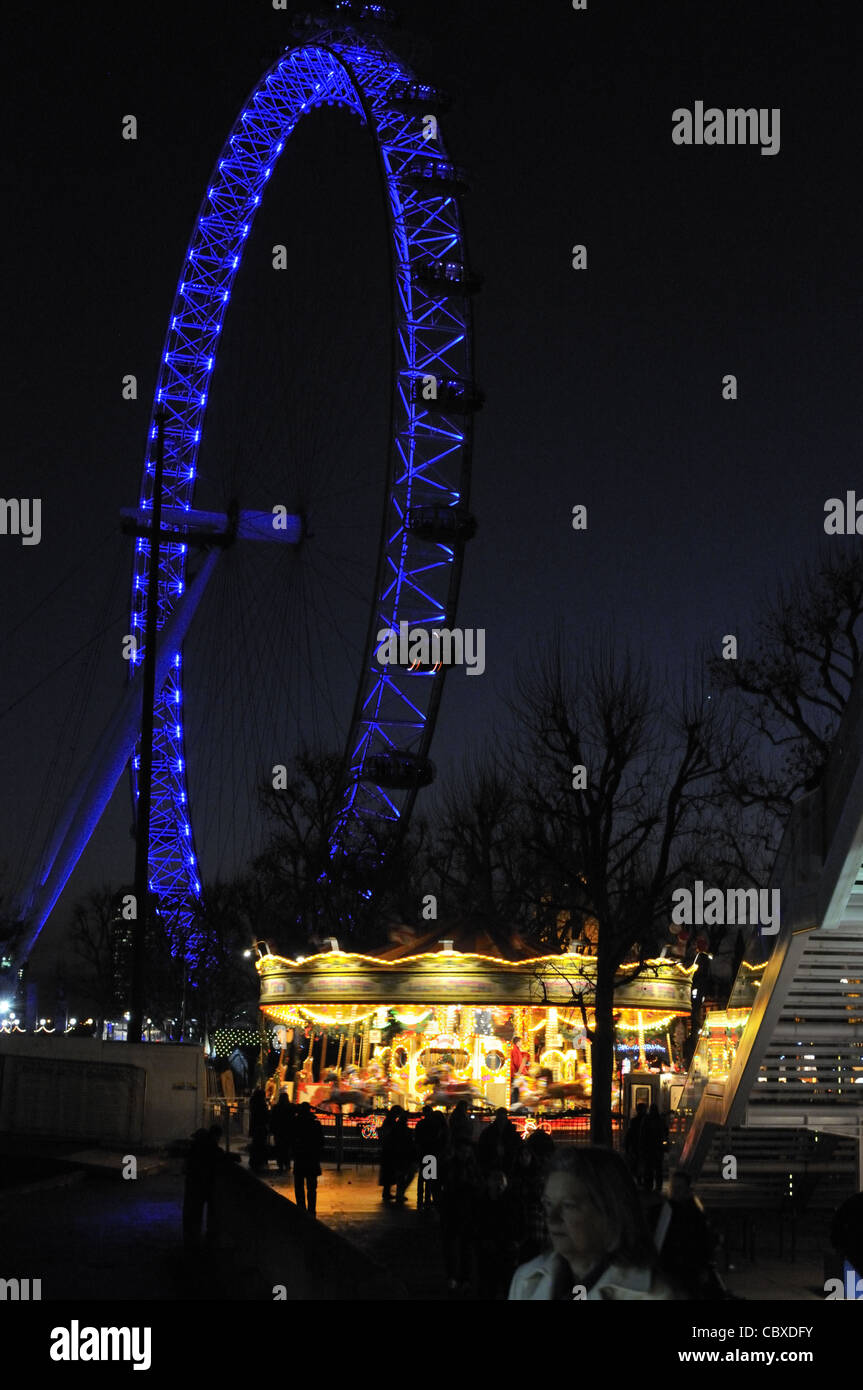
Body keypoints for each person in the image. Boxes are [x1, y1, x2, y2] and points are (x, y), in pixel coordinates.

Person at [508, 1147, 678, 1300]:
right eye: (548, 1204)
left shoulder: (655, 1295)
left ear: (610, 1211)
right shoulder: (526, 1280)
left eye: (568, 1206)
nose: (552, 1219)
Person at [653, 1171, 726, 1298]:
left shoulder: (691, 1215)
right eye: (673, 1188)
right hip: (675, 1265)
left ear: (687, 1189)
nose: (675, 1191)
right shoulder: (668, 1210)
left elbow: (702, 1242)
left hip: (686, 1267)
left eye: (679, 1188)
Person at [292, 1102, 324, 1216]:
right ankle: (311, 1210)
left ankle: (301, 1209)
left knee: (299, 1185)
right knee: (311, 1188)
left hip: (300, 1157)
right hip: (312, 1158)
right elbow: (321, 1141)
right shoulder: (316, 1123)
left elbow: (292, 1139)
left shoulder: (296, 1123)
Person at [478, 1107, 521, 1178]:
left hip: (495, 1162)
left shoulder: (489, 1131)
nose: (501, 1121)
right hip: (505, 1163)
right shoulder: (512, 1132)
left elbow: (482, 1147)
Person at [640, 1103, 667, 1193]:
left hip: (648, 1148)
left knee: (649, 1168)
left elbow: (643, 1134)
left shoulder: (646, 1120)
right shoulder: (661, 1120)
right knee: (658, 1168)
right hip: (658, 1148)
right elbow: (665, 1132)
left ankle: (648, 1185)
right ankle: (658, 1186)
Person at [269, 1093, 295, 1174]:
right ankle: (287, 1164)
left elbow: (272, 1119)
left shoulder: (276, 1107)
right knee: (287, 1148)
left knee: (279, 1148)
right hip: (289, 1130)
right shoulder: (290, 1107)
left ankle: (280, 1164)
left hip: (279, 1131)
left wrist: (272, 1130)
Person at [624, 1101, 648, 1185]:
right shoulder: (647, 1120)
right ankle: (644, 1179)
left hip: (636, 1145)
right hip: (645, 1146)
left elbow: (629, 1134)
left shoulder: (634, 1121)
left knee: (637, 1162)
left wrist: (627, 1146)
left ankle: (639, 1179)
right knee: (645, 1163)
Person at [248, 1086, 270, 1170]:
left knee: (255, 1144)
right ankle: (259, 1161)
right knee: (260, 1144)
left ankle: (254, 1161)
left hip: (255, 1126)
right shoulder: (262, 1105)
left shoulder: (253, 1103)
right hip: (261, 1127)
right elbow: (266, 1116)